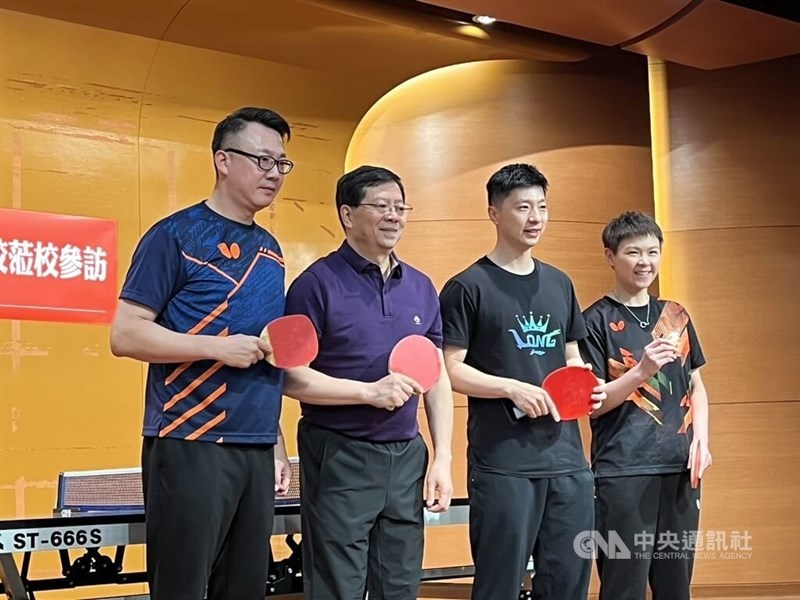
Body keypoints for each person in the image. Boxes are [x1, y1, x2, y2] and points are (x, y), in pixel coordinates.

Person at [110, 107, 294, 600]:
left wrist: (275, 441)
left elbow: (262, 353)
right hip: (191, 439)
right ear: (223, 160)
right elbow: (125, 335)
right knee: (183, 588)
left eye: (281, 164)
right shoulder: (175, 236)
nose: (273, 173)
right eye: (262, 160)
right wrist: (215, 348)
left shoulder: (272, 250)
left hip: (255, 445)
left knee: (245, 588)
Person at [282, 165, 454, 600]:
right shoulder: (315, 284)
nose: (394, 216)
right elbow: (290, 377)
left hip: (407, 455)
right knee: (338, 585)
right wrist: (367, 392)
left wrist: (443, 457)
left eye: (400, 207)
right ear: (347, 214)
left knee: (398, 585)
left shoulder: (421, 286)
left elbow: (436, 377)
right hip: (340, 452)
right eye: (381, 206)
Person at [438, 163, 604, 600]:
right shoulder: (467, 287)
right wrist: (509, 386)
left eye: (543, 207)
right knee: (499, 585)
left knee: (569, 583)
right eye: (523, 207)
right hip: (503, 462)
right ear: (494, 213)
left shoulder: (559, 282)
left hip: (568, 460)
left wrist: (586, 380)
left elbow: (571, 354)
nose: (535, 218)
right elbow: (450, 368)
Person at [578, 211, 712, 600]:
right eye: (633, 252)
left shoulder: (676, 314)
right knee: (623, 585)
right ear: (610, 256)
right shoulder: (593, 321)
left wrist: (701, 440)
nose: (645, 262)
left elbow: (696, 385)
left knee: (676, 587)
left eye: (653, 252)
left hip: (680, 467)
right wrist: (642, 370)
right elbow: (593, 405)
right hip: (622, 470)